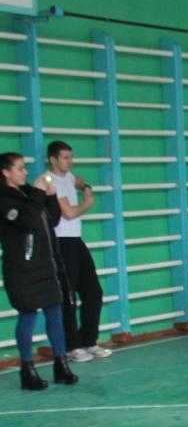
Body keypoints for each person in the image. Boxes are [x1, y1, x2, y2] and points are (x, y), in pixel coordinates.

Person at [1, 152, 78, 389]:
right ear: (5, 172)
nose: (25, 172)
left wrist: (51, 197)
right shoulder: (4, 199)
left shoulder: (27, 194)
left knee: (55, 313)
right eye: (20, 168)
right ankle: (27, 369)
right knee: (28, 316)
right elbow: (26, 221)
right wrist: (38, 193)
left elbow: (50, 220)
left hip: (44, 265)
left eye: (25, 167)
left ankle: (61, 364)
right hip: (22, 269)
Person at [44, 141, 108, 363]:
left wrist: (86, 187)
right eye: (65, 158)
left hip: (76, 241)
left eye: (71, 157)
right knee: (68, 296)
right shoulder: (49, 181)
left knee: (94, 292)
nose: (70, 161)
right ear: (53, 159)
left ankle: (89, 341)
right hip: (60, 243)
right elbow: (69, 213)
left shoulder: (69, 177)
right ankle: (72, 346)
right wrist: (88, 202)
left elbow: (80, 182)